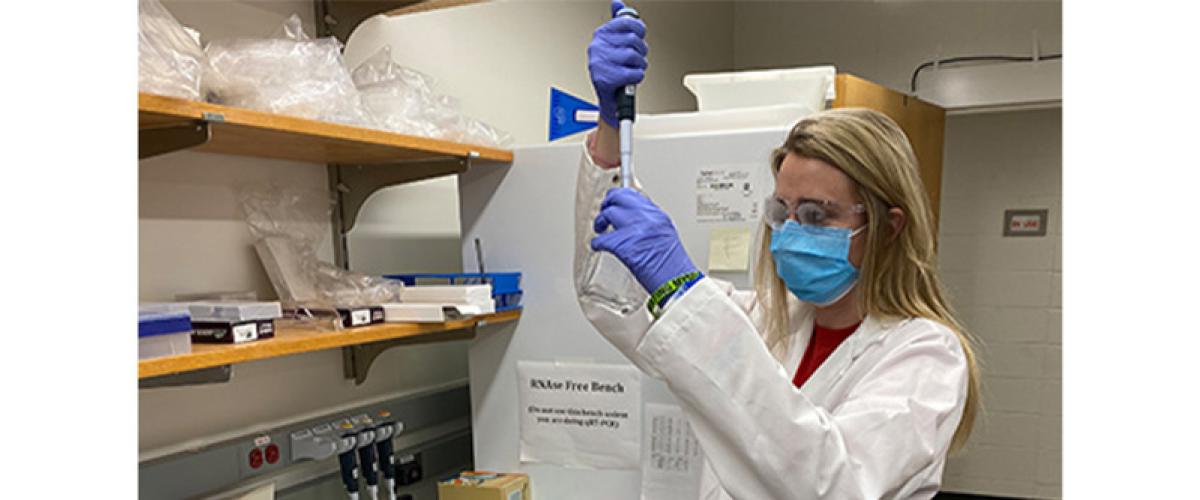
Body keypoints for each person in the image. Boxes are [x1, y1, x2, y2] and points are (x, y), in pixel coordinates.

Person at [573, 2, 981, 499]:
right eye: (783, 212)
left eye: (817, 215)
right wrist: (612, 133)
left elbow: (831, 485)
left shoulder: (926, 356)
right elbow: (610, 301)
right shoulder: (763, 320)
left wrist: (683, 286)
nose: (790, 232)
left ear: (888, 227)